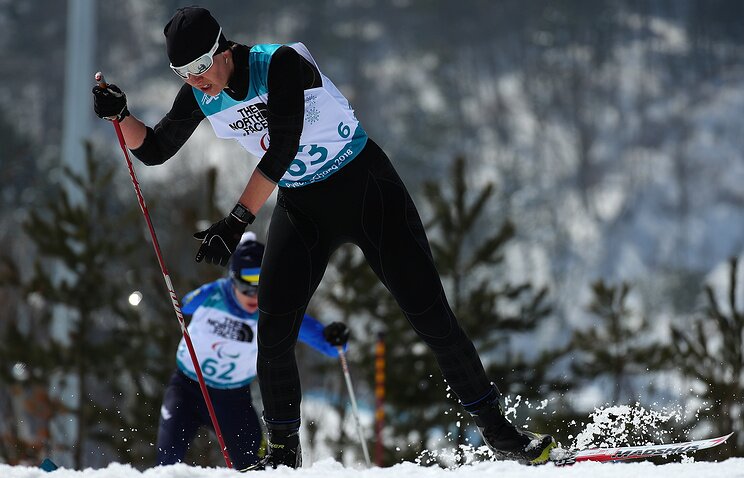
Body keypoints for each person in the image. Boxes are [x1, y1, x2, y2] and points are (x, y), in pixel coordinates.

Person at [92, 5, 555, 469]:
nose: (194, 80)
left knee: (430, 316)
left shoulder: (279, 64)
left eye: (199, 67)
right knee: (272, 334)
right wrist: (121, 115)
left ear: (224, 50)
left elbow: (284, 147)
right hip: (303, 206)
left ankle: (501, 433)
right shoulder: (200, 94)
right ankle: (283, 454)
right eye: (180, 72)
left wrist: (236, 221)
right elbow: (152, 150)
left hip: (365, 189)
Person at [156, 233, 349, 469]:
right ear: (232, 281)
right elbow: (183, 304)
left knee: (253, 465)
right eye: (245, 288)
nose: (253, 297)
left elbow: (329, 346)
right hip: (187, 389)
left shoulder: (274, 311)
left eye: (260, 289)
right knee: (167, 460)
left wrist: (335, 337)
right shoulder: (215, 294)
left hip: (233, 399)